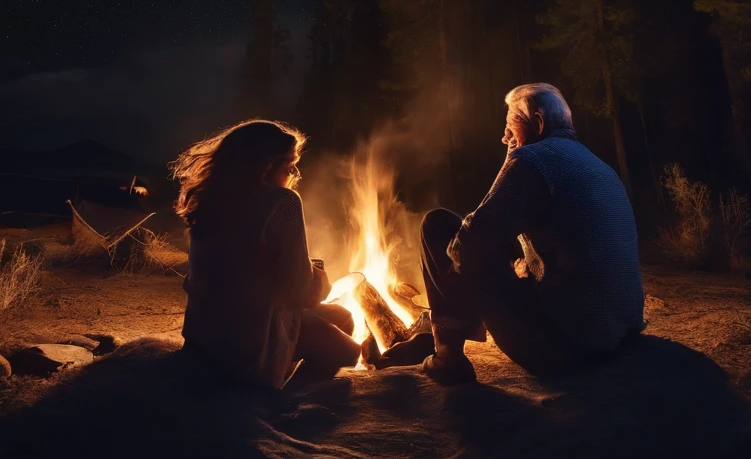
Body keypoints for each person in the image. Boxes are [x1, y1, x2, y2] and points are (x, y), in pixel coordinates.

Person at [385, 83, 644, 384]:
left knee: (438, 225)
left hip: (565, 347)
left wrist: (511, 161)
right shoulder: (597, 164)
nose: (504, 137)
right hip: (619, 338)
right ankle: (448, 335)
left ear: (538, 122)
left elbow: (465, 247)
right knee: (496, 244)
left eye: (510, 127)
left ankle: (447, 356)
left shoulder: (532, 161)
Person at [172, 119, 360, 388]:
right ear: (264, 165)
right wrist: (319, 277)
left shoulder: (209, 201)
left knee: (341, 316)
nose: (295, 172)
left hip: (203, 342)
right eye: (288, 164)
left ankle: (280, 372)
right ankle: (277, 395)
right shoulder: (281, 201)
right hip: (248, 346)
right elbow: (301, 293)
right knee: (349, 351)